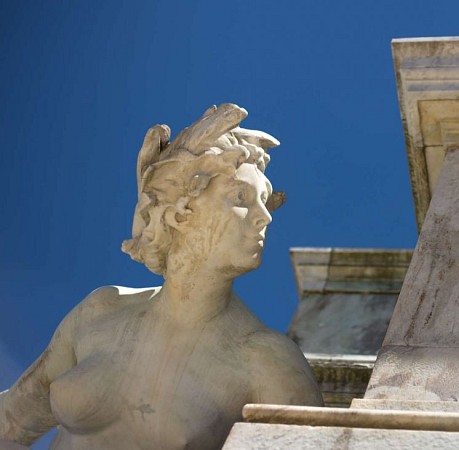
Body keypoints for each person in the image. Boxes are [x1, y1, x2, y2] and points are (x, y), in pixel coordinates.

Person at [0, 104, 323, 449]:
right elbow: (11, 422)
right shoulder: (101, 310)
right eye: (241, 197)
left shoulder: (268, 361)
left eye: (264, 201)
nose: (264, 217)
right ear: (181, 211)